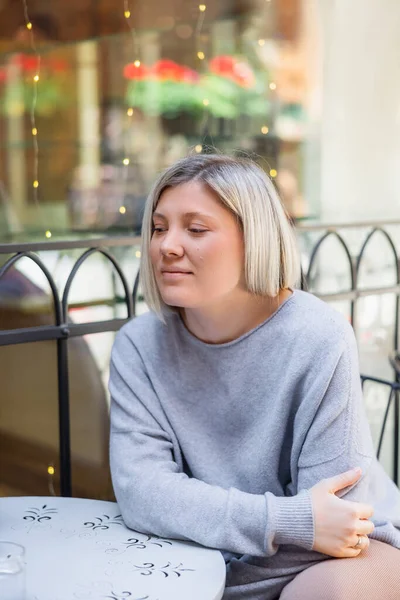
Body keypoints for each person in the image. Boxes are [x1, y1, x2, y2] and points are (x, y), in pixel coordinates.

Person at [109, 153, 400, 599]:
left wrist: (223, 583)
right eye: (159, 227)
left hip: (348, 552)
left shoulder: (319, 335)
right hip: (216, 553)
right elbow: (143, 493)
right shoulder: (139, 345)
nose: (166, 245)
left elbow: (338, 523)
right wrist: (286, 520)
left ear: (254, 238)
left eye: (196, 228)